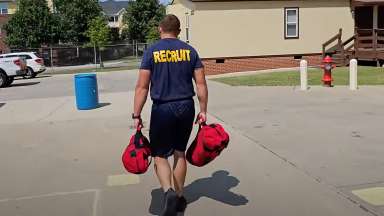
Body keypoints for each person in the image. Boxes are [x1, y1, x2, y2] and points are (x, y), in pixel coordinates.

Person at [132, 14, 208, 216]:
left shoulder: (151, 52)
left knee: (159, 155)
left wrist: (136, 114)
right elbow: (200, 84)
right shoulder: (190, 51)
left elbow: (142, 87)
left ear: (160, 29)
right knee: (179, 153)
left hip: (162, 108)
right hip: (186, 106)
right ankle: (180, 196)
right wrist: (203, 111)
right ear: (179, 31)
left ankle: (169, 192)